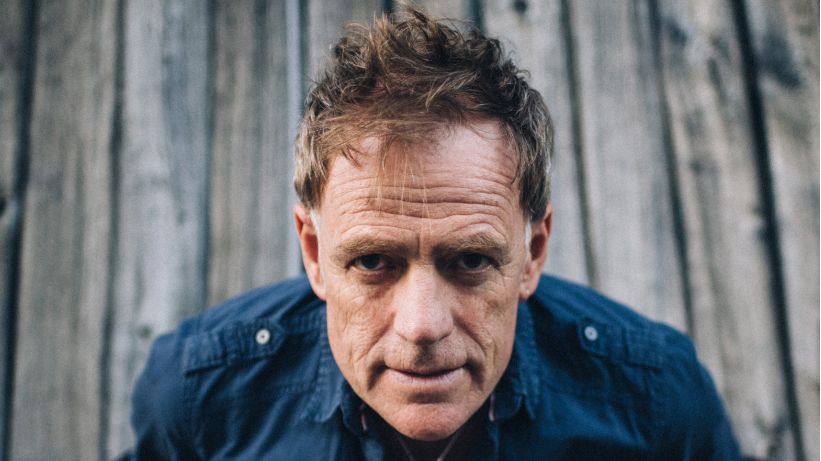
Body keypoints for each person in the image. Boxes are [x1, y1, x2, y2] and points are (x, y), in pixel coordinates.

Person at [129, 7, 741, 460]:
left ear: (532, 252)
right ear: (313, 253)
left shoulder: (656, 401)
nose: (422, 325)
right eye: (373, 261)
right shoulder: (200, 397)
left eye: (470, 260)